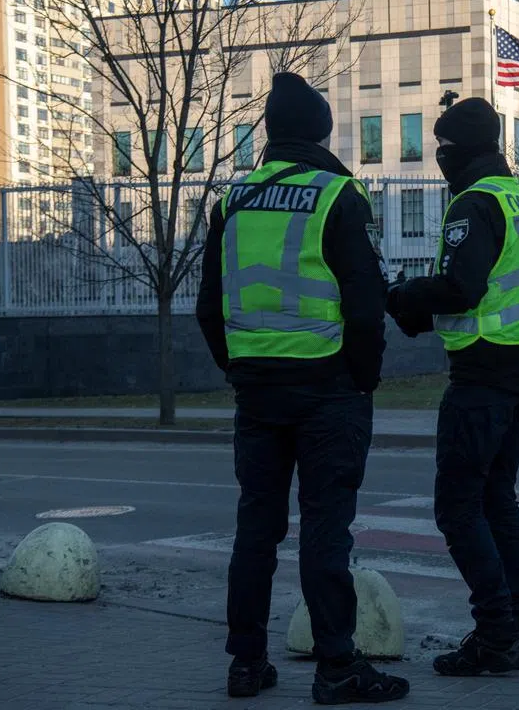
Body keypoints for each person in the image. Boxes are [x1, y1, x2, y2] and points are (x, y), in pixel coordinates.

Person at [195, 72, 409, 705]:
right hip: (327, 391)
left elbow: (210, 307)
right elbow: (366, 309)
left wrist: (237, 368)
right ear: (320, 131)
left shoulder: (232, 200)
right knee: (325, 530)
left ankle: (246, 664)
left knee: (255, 529)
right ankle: (337, 667)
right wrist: (361, 381)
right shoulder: (338, 195)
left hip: (257, 392)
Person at [385, 97, 519, 677]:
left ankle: (497, 635)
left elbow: (463, 288)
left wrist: (407, 297)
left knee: (459, 509)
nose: (438, 160)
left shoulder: (474, 201)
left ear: (454, 152)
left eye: (441, 150)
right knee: (496, 503)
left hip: (482, 378)